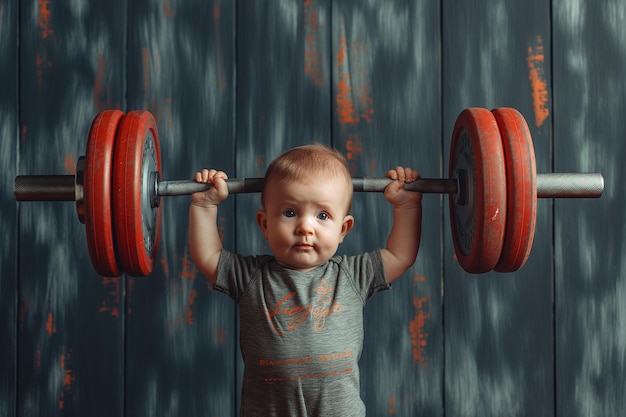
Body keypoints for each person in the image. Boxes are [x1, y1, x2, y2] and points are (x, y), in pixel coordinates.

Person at [188, 143, 422, 416]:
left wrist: (406, 207)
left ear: (343, 229)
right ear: (265, 223)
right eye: (290, 213)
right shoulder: (251, 277)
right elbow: (208, 256)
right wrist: (204, 205)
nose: (305, 227)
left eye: (322, 216)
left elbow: (400, 255)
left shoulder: (353, 275)